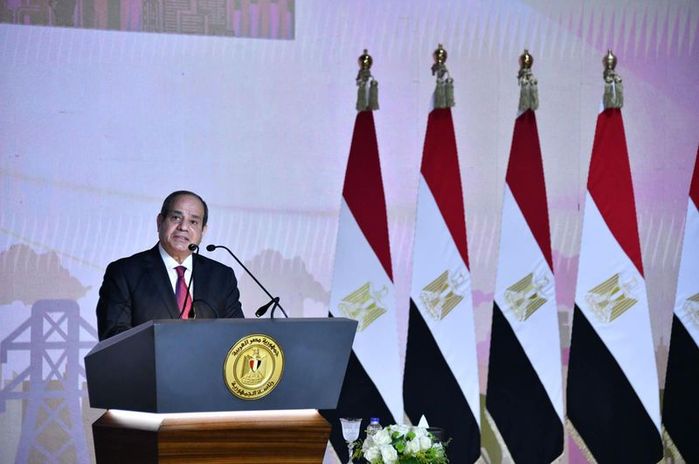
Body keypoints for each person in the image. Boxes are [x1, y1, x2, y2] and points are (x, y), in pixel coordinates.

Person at [96, 190, 243, 340]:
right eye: (176, 218)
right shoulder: (124, 272)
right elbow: (114, 335)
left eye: (193, 222)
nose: (183, 227)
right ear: (160, 222)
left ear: (203, 231)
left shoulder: (222, 276)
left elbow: (238, 335)